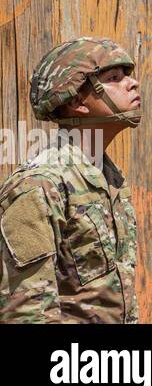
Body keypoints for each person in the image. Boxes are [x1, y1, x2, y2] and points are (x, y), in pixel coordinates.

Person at [0, 38, 141, 323]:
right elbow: (27, 312)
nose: (133, 83)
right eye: (114, 78)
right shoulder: (40, 185)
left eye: (128, 75)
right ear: (77, 101)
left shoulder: (109, 178)